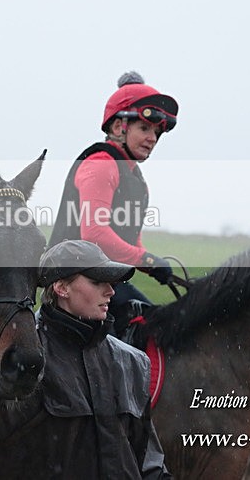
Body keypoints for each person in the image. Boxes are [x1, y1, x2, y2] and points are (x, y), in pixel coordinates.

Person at [0, 240, 172, 479]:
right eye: (97, 281)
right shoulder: (22, 359)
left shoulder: (132, 362)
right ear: (61, 288)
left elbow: (149, 464)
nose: (111, 291)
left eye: (110, 282)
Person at [48, 71, 178, 336]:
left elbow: (131, 239)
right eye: (144, 128)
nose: (152, 138)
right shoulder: (101, 164)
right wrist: (148, 260)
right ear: (119, 127)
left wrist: (150, 265)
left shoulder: (136, 178)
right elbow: (95, 234)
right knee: (146, 327)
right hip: (72, 281)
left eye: (156, 132)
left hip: (103, 278)